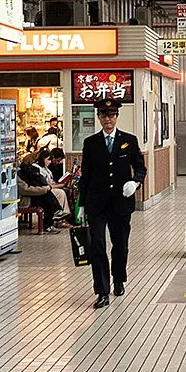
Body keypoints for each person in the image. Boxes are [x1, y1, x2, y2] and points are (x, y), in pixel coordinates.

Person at [80, 98, 147, 309]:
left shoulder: (129, 140)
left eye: (111, 115)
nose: (107, 119)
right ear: (98, 117)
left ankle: (118, 279)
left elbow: (140, 167)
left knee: (120, 245)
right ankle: (102, 291)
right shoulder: (90, 143)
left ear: (117, 117)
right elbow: (86, 175)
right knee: (98, 245)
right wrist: (80, 205)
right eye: (103, 115)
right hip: (96, 203)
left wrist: (135, 182)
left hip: (120, 202)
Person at [18, 149, 71, 231]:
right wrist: (47, 188)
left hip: (39, 192)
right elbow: (27, 189)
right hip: (29, 197)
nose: (50, 162)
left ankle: (58, 213)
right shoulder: (34, 170)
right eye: (48, 159)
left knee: (49, 195)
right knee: (54, 194)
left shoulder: (45, 169)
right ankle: (56, 215)